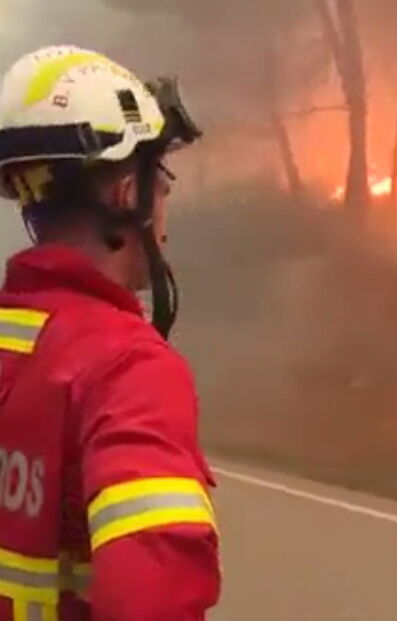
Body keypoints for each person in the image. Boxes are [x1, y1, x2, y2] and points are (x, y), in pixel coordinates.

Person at [0, 46, 220, 620]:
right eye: (161, 180)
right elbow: (154, 598)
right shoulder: (128, 370)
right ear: (127, 194)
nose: (166, 205)